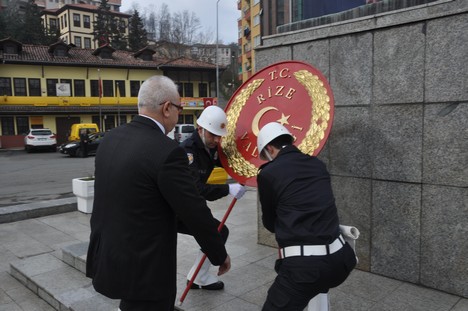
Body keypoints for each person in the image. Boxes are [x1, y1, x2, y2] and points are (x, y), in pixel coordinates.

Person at [86, 75, 231, 311]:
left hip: (110, 255)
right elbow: (193, 209)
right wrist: (219, 253)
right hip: (145, 268)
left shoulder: (110, 139)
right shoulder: (167, 152)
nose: (178, 114)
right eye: (178, 108)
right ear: (166, 108)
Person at [256, 122, 357, 310]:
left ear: (269, 148)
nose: (267, 160)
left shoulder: (268, 173)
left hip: (304, 270)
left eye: (265, 156)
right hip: (341, 260)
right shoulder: (317, 164)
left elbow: (270, 223)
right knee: (317, 291)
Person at [179, 105, 246, 290]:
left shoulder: (210, 146)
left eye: (219, 136)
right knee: (216, 232)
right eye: (212, 135)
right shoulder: (188, 151)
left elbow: (228, 161)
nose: (216, 140)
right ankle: (198, 277)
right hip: (176, 208)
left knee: (217, 232)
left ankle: (196, 276)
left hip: (191, 205)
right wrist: (227, 189)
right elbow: (197, 189)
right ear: (200, 129)